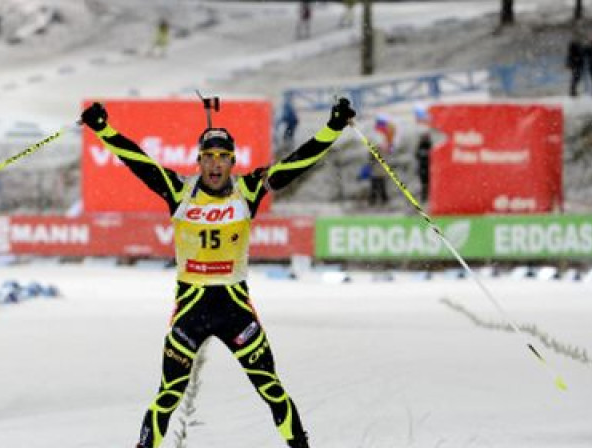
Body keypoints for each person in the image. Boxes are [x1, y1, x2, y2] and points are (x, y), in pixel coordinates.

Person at [80, 97, 356, 448]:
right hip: (190, 312)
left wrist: (333, 126)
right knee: (168, 395)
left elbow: (296, 164)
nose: (215, 164)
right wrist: (102, 128)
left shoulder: (248, 189)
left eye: (223, 157)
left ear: (232, 161)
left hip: (235, 310)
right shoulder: (179, 190)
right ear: (199, 161)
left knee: (271, 389)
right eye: (208, 156)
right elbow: (138, 160)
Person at [415, 130, 432, 202]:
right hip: (422, 167)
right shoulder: (420, 145)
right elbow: (416, 155)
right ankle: (424, 196)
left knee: (428, 183)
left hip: (427, 167)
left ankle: (426, 196)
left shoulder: (429, 144)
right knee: (423, 183)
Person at [567, 32, 585, 96]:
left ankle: (573, 91)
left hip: (577, 64)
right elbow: (571, 55)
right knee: (576, 77)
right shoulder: (574, 45)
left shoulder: (578, 45)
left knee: (576, 77)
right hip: (576, 64)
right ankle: (573, 91)